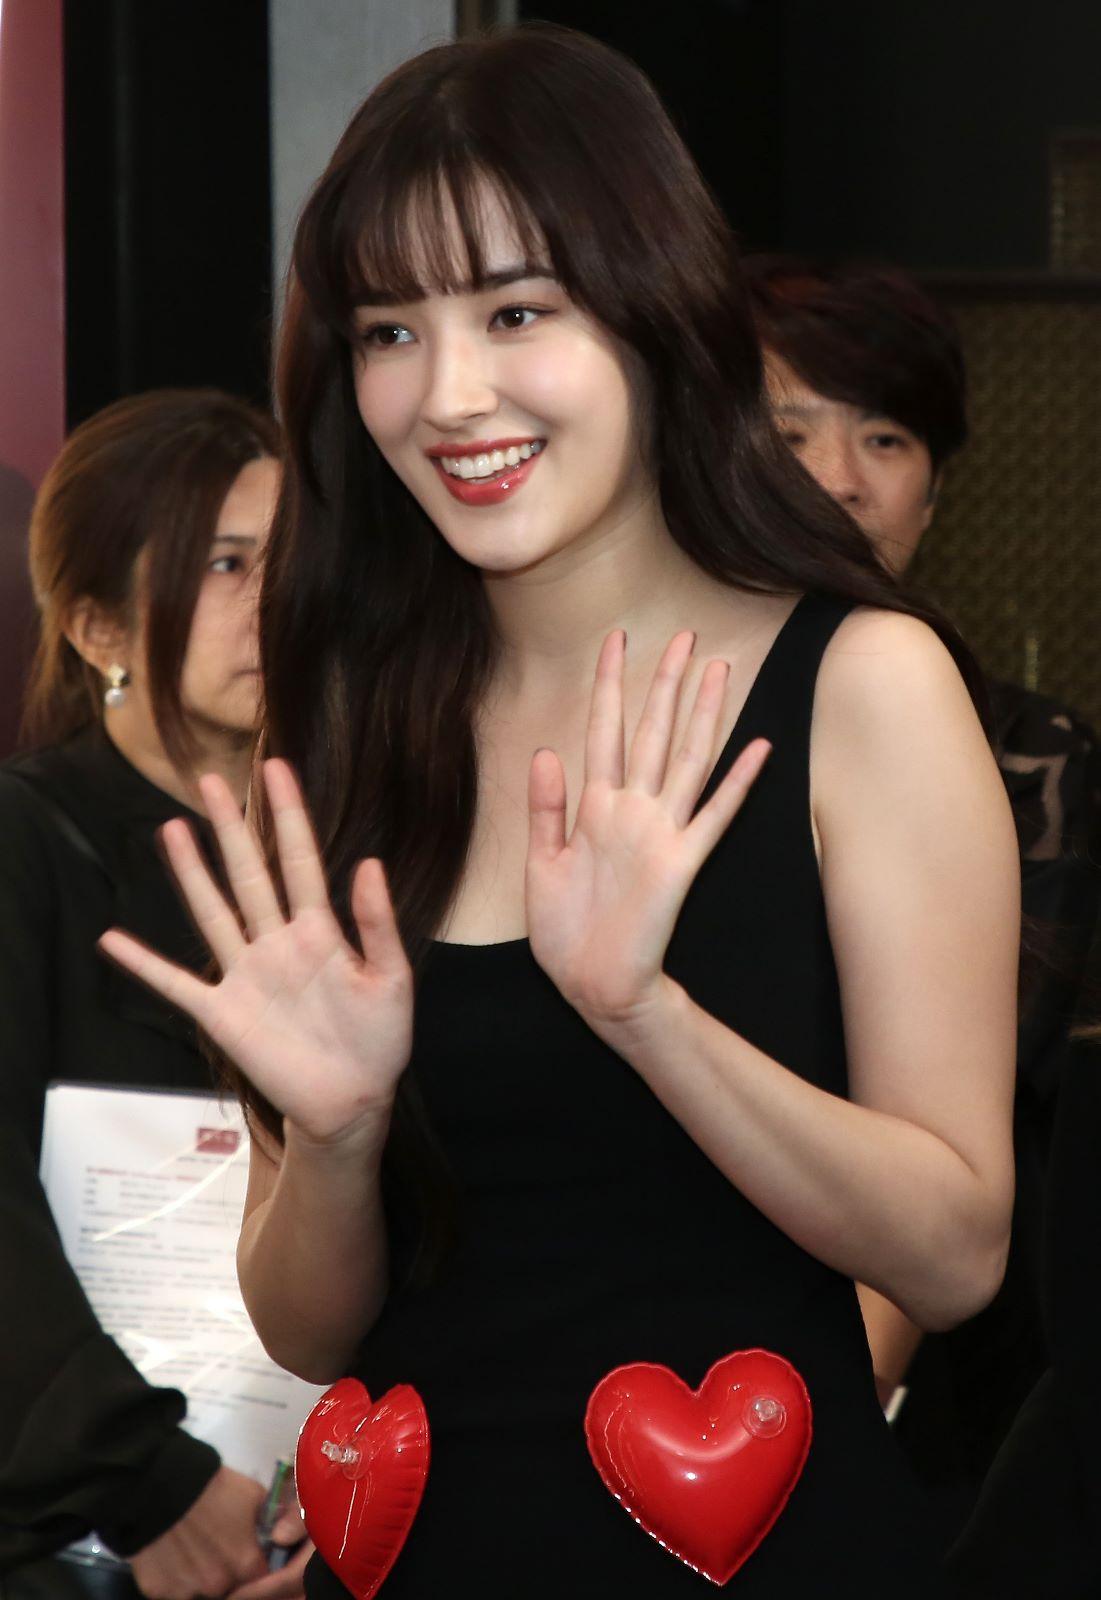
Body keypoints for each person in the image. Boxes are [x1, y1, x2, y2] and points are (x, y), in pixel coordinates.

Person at [101, 30, 1019, 1598]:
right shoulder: (351, 713)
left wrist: (647, 1015)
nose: (449, 395)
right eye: (389, 332)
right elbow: (307, 1330)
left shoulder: (861, 685)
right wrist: (335, 1136)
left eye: (517, 311)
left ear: (652, 310)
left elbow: (954, 1252)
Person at [744, 254, 1101, 1542]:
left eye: (885, 438)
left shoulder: (1036, 762)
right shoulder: (639, 717)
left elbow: (959, 1111)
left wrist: (825, 1412)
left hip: (930, 1386)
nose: (840, 477)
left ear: (937, 487)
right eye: (792, 429)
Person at [0, 390, 313, 1600]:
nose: (271, 601)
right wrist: (151, 1486)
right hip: (83, 1524)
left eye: (288, 558)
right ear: (96, 627)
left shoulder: (366, 841)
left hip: (324, 1499)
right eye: (225, 565)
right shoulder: (29, 840)